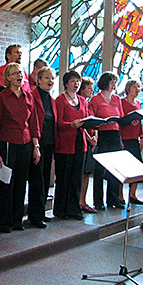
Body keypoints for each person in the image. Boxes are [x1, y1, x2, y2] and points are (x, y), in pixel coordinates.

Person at [0, 63, 40, 232]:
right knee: (7, 183)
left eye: (20, 73)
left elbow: (34, 124)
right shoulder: (1, 98)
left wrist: (36, 146)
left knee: (21, 183)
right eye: (15, 74)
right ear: (8, 78)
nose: (19, 76)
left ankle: (17, 220)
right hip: (7, 142)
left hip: (26, 143)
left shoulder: (29, 97)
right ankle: (4, 222)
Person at [53, 70, 91, 220]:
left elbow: (86, 118)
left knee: (76, 177)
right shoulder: (60, 100)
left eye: (78, 81)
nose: (76, 84)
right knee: (64, 178)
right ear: (66, 83)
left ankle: (74, 209)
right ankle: (61, 209)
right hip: (65, 143)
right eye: (73, 81)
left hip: (80, 143)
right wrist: (71, 124)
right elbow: (58, 122)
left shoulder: (82, 100)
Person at [89, 72, 125, 210]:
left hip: (115, 134)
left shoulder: (117, 98)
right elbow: (92, 118)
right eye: (112, 82)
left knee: (114, 168)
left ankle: (113, 198)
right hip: (102, 134)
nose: (114, 85)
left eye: (115, 82)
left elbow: (120, 118)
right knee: (100, 168)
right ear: (105, 83)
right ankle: (98, 201)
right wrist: (102, 124)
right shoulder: (96, 99)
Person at [26, 66, 57, 228]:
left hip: (49, 143)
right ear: (38, 80)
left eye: (52, 78)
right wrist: (35, 144)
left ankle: (41, 212)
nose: (50, 81)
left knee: (46, 179)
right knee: (37, 180)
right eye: (46, 77)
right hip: (36, 143)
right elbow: (32, 121)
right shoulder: (32, 96)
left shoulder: (51, 99)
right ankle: (35, 215)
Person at [119, 79, 143, 204]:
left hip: (134, 137)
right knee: (122, 168)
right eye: (135, 87)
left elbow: (140, 122)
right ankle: (119, 195)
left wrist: (141, 137)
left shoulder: (138, 103)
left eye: (139, 87)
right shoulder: (121, 102)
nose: (137, 89)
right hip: (124, 137)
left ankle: (132, 194)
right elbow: (119, 120)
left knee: (136, 167)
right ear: (128, 89)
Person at [78, 77, 97, 213]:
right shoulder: (79, 102)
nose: (92, 90)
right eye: (89, 88)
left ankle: (83, 201)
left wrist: (95, 136)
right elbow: (81, 123)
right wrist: (90, 138)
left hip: (92, 140)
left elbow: (94, 121)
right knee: (81, 173)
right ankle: (78, 201)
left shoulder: (89, 103)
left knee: (87, 173)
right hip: (83, 140)